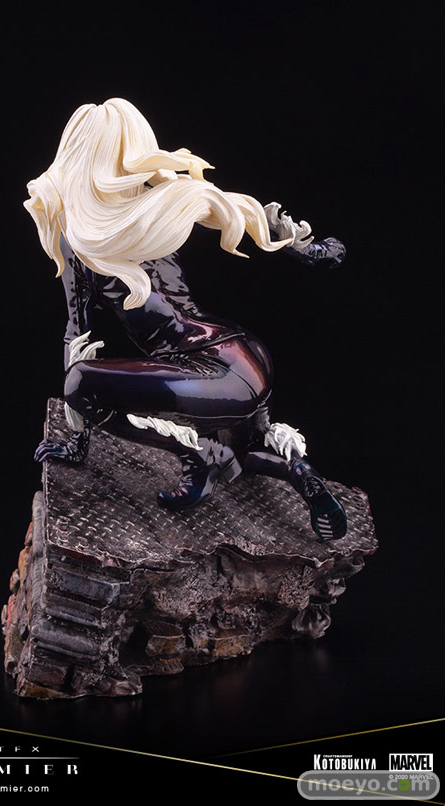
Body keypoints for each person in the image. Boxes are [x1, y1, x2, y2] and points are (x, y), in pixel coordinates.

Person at [25, 98, 347, 541]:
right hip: (245, 353)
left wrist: (78, 441)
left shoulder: (77, 239)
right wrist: (313, 251)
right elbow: (241, 212)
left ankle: (196, 455)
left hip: (205, 374)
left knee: (80, 381)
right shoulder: (160, 200)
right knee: (241, 446)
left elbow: (77, 335)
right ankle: (297, 470)